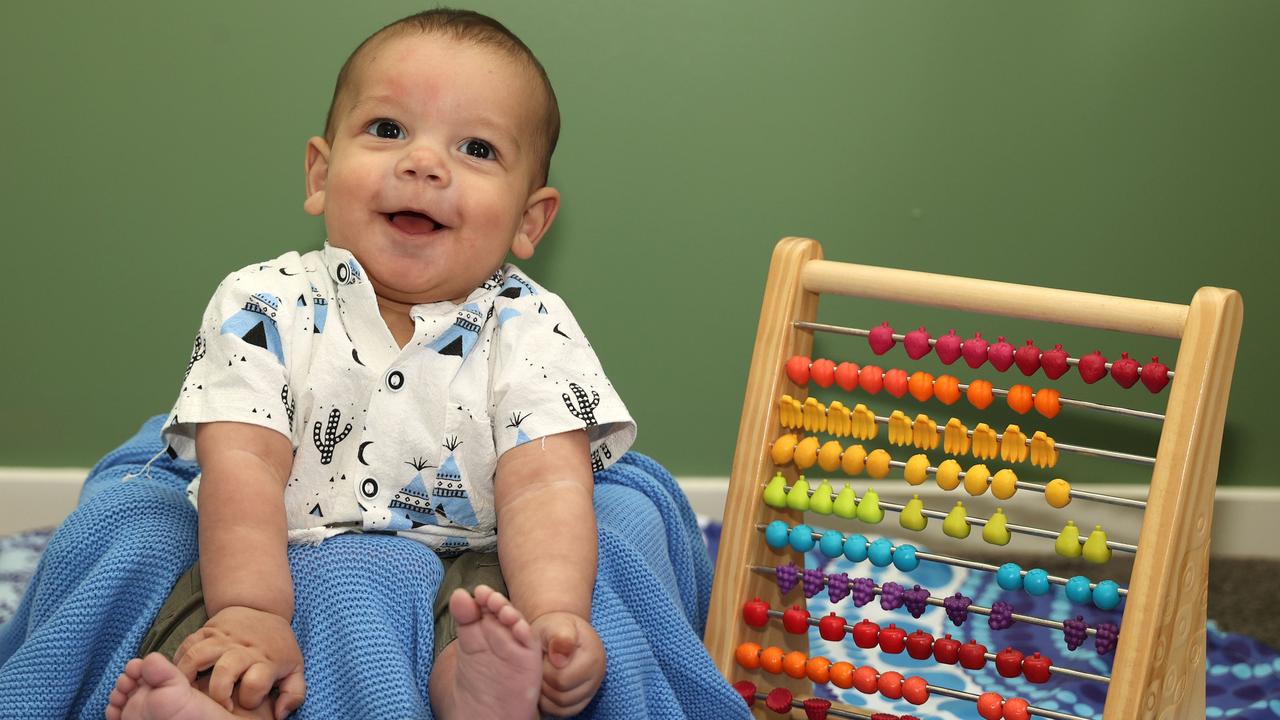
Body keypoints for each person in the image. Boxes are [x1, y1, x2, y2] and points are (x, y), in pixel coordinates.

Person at [105, 8, 635, 720]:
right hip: (272, 547)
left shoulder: (530, 326)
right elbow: (246, 465)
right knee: (206, 608)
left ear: (528, 221)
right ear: (321, 173)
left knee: (487, 614)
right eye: (388, 131)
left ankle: (480, 692)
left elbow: (544, 488)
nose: (423, 162)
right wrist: (255, 609)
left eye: (476, 148)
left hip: (464, 551)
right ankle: (214, 699)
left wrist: (555, 616)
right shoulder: (265, 302)